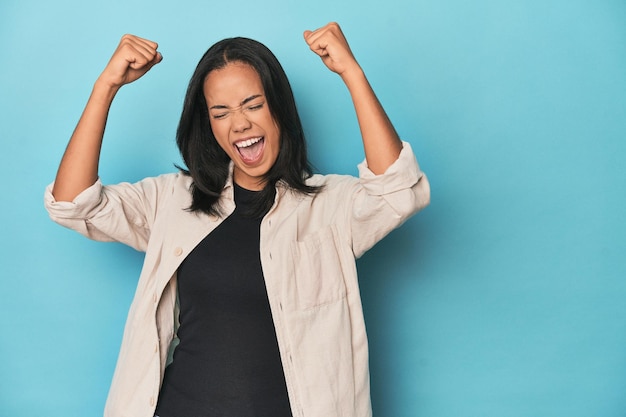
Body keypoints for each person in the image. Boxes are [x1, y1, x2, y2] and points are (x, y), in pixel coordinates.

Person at [45, 22, 430, 417]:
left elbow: (398, 192)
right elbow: (73, 203)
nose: (240, 123)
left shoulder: (329, 205)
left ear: (279, 106)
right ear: (209, 125)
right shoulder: (172, 199)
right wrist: (105, 87)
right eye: (221, 112)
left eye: (253, 104)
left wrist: (352, 73)